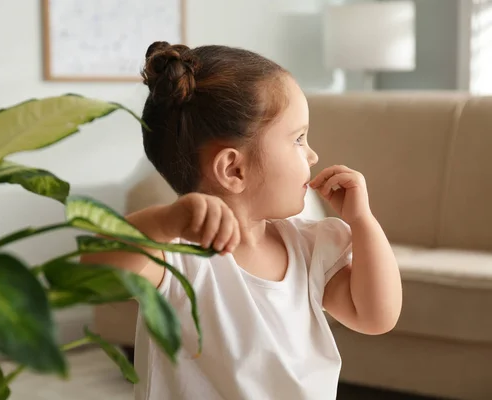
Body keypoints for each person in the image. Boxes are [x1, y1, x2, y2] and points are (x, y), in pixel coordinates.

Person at [82, 42, 402, 400]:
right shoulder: (177, 258)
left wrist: (363, 221)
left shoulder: (310, 248)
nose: (312, 154)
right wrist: (165, 221)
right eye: (298, 139)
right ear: (233, 169)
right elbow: (95, 267)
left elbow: (377, 316)